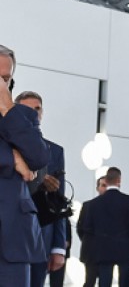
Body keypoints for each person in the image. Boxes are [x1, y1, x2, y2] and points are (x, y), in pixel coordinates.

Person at [0, 44, 50, 286]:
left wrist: (8, 109)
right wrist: (12, 158)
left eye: (5, 78)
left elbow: (39, 158)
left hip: (14, 240)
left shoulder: (22, 115)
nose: (0, 84)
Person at [14, 91, 66, 287]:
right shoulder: (6, 146)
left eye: (37, 109)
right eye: (28, 109)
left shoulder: (55, 151)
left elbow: (59, 201)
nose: (34, 114)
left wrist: (59, 247)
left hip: (42, 234)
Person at [78, 167, 129, 287]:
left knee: (104, 283)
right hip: (125, 250)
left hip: (103, 250)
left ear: (106, 180)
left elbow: (87, 228)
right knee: (124, 283)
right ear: (119, 180)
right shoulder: (127, 200)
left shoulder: (94, 203)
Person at [77, 176, 108, 287]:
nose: (106, 188)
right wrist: (89, 241)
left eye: (108, 186)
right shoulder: (88, 206)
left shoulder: (115, 207)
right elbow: (80, 228)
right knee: (90, 282)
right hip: (91, 252)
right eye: (103, 185)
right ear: (98, 188)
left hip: (108, 252)